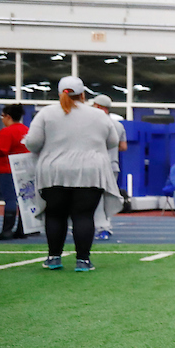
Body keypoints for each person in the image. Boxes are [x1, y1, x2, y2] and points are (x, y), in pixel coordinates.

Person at [23, 76, 120, 272]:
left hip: (54, 171)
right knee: (84, 216)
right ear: (83, 94)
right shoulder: (99, 115)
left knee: (55, 214)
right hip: (90, 171)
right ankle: (83, 260)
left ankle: (53, 257)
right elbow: (113, 141)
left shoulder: (46, 113)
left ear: (60, 93)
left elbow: (32, 142)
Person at [0, 103, 30, 241]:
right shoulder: (26, 130)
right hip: (24, 170)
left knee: (10, 199)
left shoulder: (6, 132)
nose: (2, 119)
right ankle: (22, 230)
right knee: (24, 200)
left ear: (8, 117)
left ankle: (7, 231)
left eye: (3, 116)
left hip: (8, 169)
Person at [91, 94, 127, 241]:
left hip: (94, 165)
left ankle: (99, 227)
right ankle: (105, 227)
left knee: (92, 198)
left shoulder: (92, 124)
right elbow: (123, 147)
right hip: (112, 165)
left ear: (99, 107)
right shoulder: (118, 125)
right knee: (107, 197)